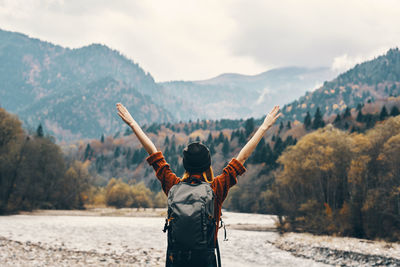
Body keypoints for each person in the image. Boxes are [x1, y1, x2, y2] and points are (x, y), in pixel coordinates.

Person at [116, 103, 281, 267]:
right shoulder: (216, 188)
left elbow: (154, 154)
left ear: (185, 165)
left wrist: (133, 124)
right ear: (208, 165)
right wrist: (264, 127)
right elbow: (242, 157)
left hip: (176, 261)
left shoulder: (173, 186)